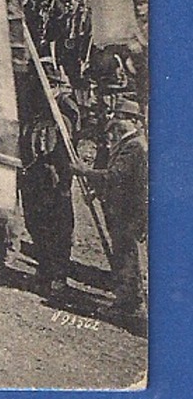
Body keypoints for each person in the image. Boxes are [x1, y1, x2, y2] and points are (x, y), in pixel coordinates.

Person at [79, 99, 148, 323]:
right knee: (123, 255)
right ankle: (126, 300)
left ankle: (130, 304)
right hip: (120, 209)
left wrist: (85, 172)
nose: (116, 123)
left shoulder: (135, 146)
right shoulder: (126, 142)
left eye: (121, 118)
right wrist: (97, 191)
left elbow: (115, 176)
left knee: (126, 257)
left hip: (128, 212)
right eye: (116, 117)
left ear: (133, 121)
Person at [20, 78, 78, 299]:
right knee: (35, 224)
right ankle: (43, 269)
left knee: (59, 229)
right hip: (33, 179)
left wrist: (64, 183)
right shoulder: (35, 110)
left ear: (55, 86)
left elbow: (67, 152)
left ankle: (58, 276)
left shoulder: (64, 111)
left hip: (54, 181)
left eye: (48, 85)